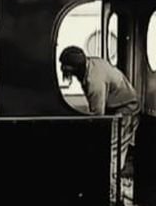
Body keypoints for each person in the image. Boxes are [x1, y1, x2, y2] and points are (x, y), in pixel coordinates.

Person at [59, 46, 142, 174]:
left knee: (112, 149)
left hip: (126, 109)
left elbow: (98, 117)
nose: (64, 71)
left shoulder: (94, 82)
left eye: (67, 68)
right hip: (117, 106)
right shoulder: (91, 64)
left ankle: (110, 184)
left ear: (76, 68)